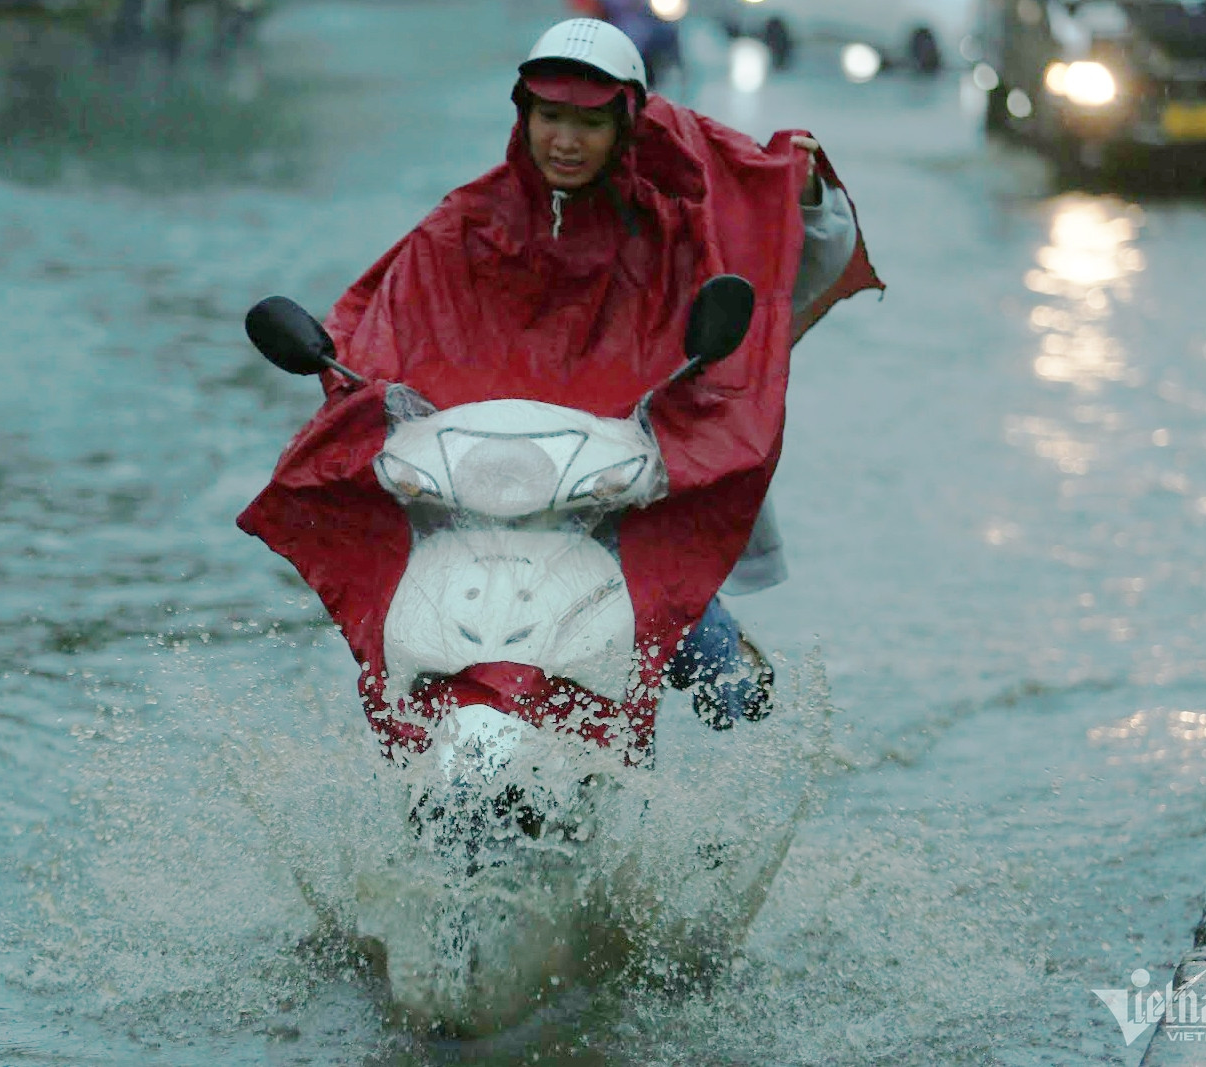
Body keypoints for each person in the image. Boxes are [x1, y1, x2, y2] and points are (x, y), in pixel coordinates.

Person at [239, 18, 881, 759]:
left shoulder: (673, 223)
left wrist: (799, 201)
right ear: (524, 117)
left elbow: (774, 275)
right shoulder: (465, 222)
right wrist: (355, 384)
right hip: (481, 491)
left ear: (625, 123)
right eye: (550, 117)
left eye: (587, 121)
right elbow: (383, 319)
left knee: (727, 689)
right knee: (395, 633)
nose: (565, 141)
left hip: (617, 491)